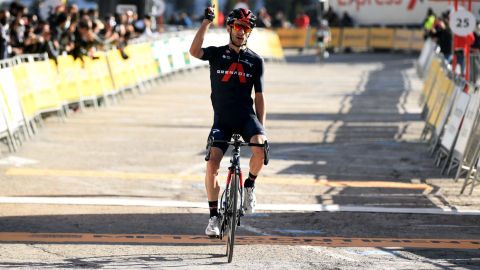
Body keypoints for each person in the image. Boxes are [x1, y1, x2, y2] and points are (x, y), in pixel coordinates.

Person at [189, 6, 267, 237]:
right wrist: (206, 21)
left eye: (246, 28)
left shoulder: (255, 60)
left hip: (246, 118)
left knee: (261, 148)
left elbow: (260, 97)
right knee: (212, 164)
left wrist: (260, 127)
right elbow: (194, 51)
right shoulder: (216, 53)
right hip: (222, 119)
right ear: (230, 28)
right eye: (238, 27)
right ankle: (214, 217)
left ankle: (249, 185)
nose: (242, 32)